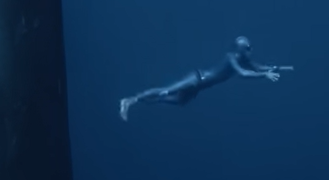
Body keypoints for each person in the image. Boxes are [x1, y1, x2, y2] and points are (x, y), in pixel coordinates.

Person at [119, 36, 292, 121]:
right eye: (249, 47)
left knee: (177, 101)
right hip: (197, 78)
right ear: (241, 49)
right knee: (169, 89)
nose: (251, 49)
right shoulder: (231, 57)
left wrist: (274, 68)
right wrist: (265, 74)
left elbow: (258, 67)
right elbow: (243, 74)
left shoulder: (244, 59)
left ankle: (144, 100)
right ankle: (130, 100)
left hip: (199, 87)